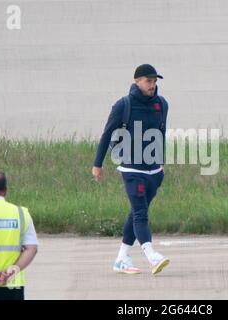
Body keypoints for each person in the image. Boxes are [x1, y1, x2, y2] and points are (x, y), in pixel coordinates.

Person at [92, 64, 170, 275]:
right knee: (141, 214)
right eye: (148, 81)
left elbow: (162, 134)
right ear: (137, 81)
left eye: (154, 81)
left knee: (136, 212)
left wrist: (161, 165)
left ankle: (122, 258)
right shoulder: (123, 105)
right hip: (131, 169)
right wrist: (97, 164)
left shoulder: (162, 104)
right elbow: (107, 134)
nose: (152, 85)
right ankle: (152, 255)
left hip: (154, 171)